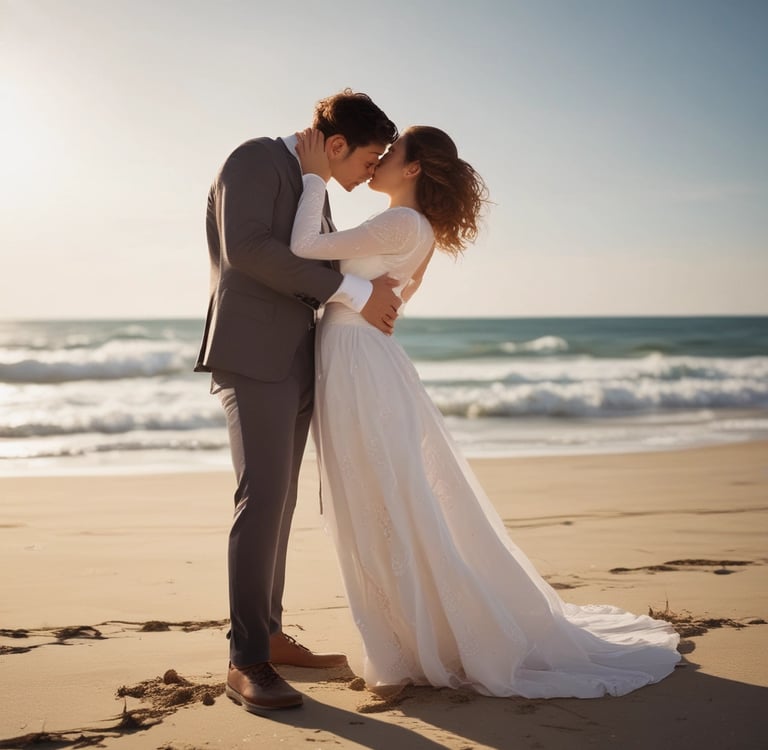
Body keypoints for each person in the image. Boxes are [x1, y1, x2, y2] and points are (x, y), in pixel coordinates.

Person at [289, 126, 681, 699]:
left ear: (415, 168)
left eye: (390, 155)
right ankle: (400, 646)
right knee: (378, 500)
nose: (377, 163)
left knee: (376, 501)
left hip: (356, 362)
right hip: (358, 359)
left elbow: (302, 248)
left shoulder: (400, 222)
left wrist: (313, 177)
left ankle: (398, 656)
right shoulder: (413, 228)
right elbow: (384, 294)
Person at [195, 90, 400, 713]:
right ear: (337, 144)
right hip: (253, 355)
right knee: (260, 498)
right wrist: (353, 290)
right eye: (368, 161)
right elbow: (249, 251)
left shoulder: (315, 182)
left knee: (280, 502)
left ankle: (271, 636)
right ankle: (246, 658)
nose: (370, 174)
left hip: (300, 360)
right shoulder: (254, 160)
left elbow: (313, 254)